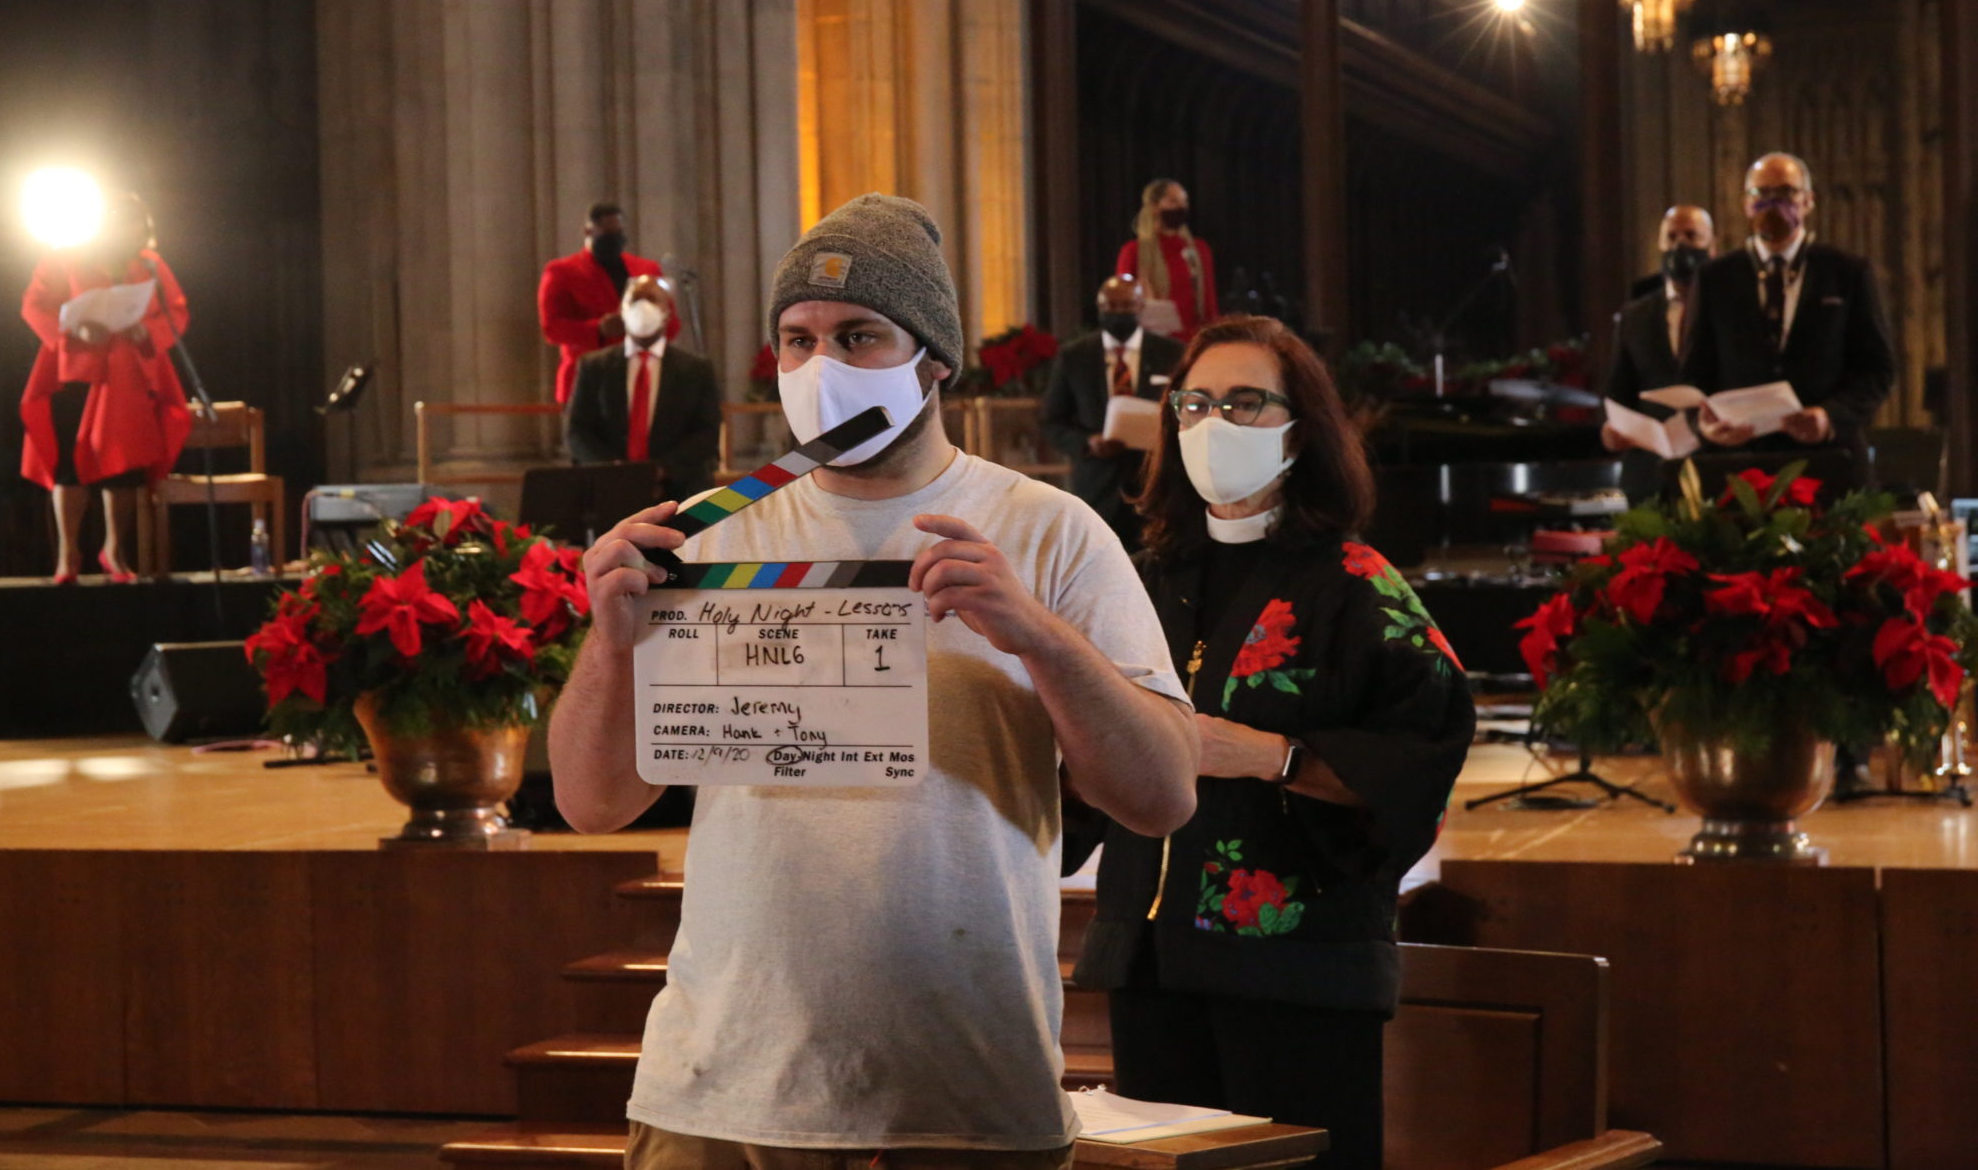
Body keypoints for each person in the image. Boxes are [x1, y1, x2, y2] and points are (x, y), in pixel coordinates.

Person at [550, 193, 1198, 1168]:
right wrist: (607, 646)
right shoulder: (705, 532)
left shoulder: (1050, 532)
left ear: (932, 360)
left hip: (966, 1091)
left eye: (859, 337)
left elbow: (1159, 796)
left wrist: (1035, 634)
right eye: (796, 341)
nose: (821, 367)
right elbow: (593, 803)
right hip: (719, 1089)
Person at [1073, 316, 1474, 1169]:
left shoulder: (1355, 581)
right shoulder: (1142, 581)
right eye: (1195, 403)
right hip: (1150, 958)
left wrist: (1269, 755)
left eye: (1247, 401)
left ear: (1304, 428)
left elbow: (1426, 745)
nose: (1214, 424)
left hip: (1300, 967)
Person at [1681, 153, 1895, 473]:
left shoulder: (1847, 272)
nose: (1772, 204)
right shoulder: (1714, 278)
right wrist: (1703, 426)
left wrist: (1830, 416)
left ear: (1808, 201)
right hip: (1741, 461)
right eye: (1761, 195)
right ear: (1745, 204)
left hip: (1829, 458)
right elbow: (1692, 374)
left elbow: (1877, 369)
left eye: (1785, 193)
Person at [18, 193, 193, 584]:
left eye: (137, 227)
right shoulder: (64, 256)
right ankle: (69, 553)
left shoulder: (149, 264)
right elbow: (34, 305)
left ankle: (114, 549)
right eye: (122, 224)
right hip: (75, 366)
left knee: (124, 463)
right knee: (69, 463)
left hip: (126, 374)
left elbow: (176, 309)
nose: (130, 234)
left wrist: (146, 329)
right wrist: (72, 327)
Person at [1040, 276, 1184, 550]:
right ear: (1099, 308)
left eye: (1127, 306)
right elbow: (1052, 421)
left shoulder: (1172, 354)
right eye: (1112, 307)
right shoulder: (1075, 356)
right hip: (1097, 486)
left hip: (1154, 485)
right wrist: (1087, 444)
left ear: (1141, 306)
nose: (1119, 314)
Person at [565, 274, 722, 504]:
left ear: (667, 312)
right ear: (622, 310)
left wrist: (661, 470)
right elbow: (577, 431)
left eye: (651, 299)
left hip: (678, 491)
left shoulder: (696, 369)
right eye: (635, 300)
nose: (643, 306)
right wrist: (614, 470)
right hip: (609, 489)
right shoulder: (594, 366)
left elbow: (706, 433)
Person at [537, 201, 678, 404]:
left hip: (642, 374)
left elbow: (672, 323)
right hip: (588, 380)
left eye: (618, 233)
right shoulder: (561, 272)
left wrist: (654, 324)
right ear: (588, 231)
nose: (614, 240)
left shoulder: (647, 268)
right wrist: (599, 329)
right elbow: (552, 328)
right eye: (607, 233)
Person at [1601, 203, 1713, 453]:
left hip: (1712, 457)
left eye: (1692, 236)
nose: (1680, 245)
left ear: (1711, 246)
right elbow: (1618, 391)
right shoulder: (1634, 316)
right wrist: (1611, 429)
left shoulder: (1728, 309)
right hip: (1650, 462)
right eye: (1671, 237)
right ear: (1660, 245)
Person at [1115, 179, 1218, 338]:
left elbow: (1209, 303)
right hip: (1155, 342)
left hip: (1194, 340)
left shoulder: (1199, 249)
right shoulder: (1133, 251)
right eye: (1173, 201)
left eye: (1184, 201)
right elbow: (1122, 305)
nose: (1181, 207)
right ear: (1154, 207)